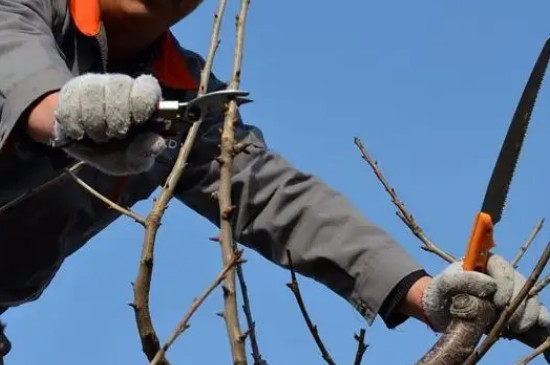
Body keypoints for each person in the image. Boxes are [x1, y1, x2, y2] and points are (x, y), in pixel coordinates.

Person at [0, 0, 547, 358]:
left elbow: (276, 198)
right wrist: (65, 114)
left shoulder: (186, 99)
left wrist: (425, 294)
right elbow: (20, 71)